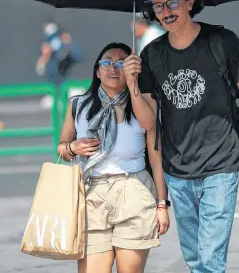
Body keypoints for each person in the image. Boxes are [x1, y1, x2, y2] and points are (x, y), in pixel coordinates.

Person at [125, 0, 239, 273]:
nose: (165, 12)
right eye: (158, 7)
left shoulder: (222, 42)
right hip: (177, 170)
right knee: (196, 259)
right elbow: (148, 121)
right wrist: (133, 84)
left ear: (190, 2)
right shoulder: (152, 55)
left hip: (220, 164)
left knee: (209, 261)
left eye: (172, 3)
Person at [57, 42, 170, 273]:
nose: (113, 68)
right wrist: (73, 147)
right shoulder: (78, 105)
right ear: (97, 71)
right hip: (91, 195)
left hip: (134, 191)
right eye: (107, 62)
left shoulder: (142, 104)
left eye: (121, 63)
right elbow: (62, 149)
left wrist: (162, 204)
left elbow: (155, 154)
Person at [36, 20, 82, 108]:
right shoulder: (50, 59)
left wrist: (67, 44)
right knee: (47, 103)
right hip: (56, 93)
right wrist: (44, 58)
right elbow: (41, 66)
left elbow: (78, 55)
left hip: (70, 90)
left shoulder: (69, 50)